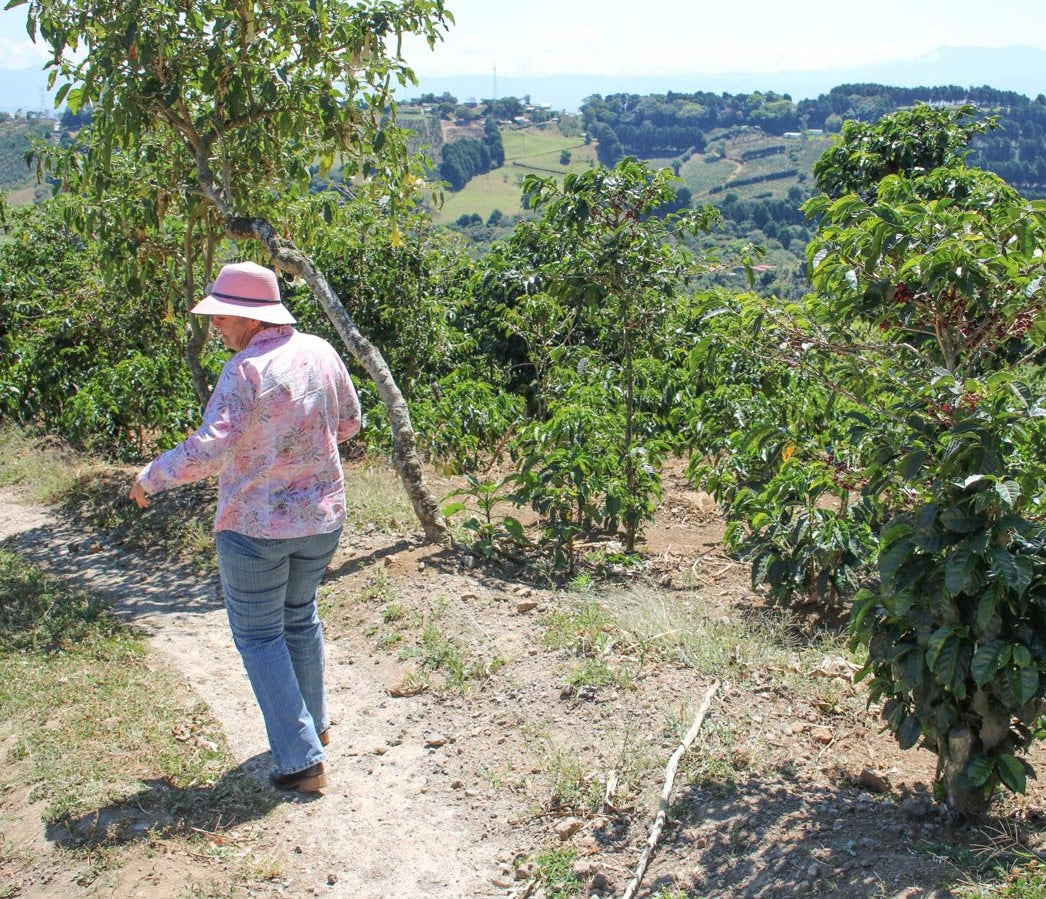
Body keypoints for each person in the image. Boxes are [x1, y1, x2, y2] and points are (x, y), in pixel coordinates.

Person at [129, 260, 361, 794]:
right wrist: (298, 455)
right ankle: (314, 726)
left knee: (258, 636)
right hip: (322, 518)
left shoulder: (244, 371)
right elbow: (349, 423)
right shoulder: (321, 351)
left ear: (252, 320)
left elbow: (211, 448)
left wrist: (150, 478)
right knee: (299, 619)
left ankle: (301, 761)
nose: (215, 325)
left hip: (254, 528)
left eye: (223, 316)